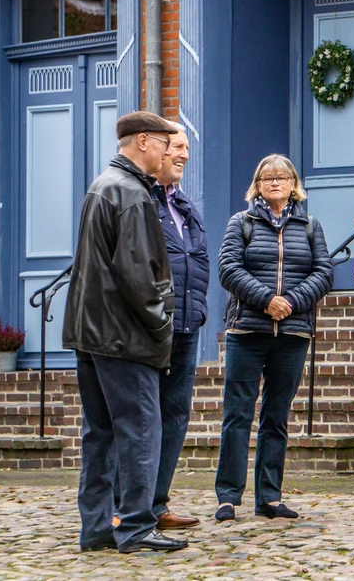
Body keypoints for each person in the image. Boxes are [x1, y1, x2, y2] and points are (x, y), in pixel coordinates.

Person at [62, 111, 188, 553]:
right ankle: (136, 526)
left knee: (99, 433)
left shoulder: (102, 186)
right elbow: (138, 274)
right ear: (143, 142)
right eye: (163, 143)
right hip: (124, 335)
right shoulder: (132, 193)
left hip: (91, 332)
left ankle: (96, 527)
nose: (168, 152)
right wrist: (162, 324)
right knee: (140, 429)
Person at [214, 154, 333, 522]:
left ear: (294, 184)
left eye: (282, 177)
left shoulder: (310, 225)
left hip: (293, 333)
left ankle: (269, 496)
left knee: (276, 416)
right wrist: (266, 301)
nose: (275, 182)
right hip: (248, 330)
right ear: (258, 185)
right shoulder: (242, 223)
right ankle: (228, 497)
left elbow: (324, 272)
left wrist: (291, 303)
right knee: (237, 414)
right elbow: (228, 268)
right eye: (268, 177)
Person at [147, 122, 210, 529]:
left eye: (188, 146)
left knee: (175, 415)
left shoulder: (183, 205)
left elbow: (199, 260)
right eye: (179, 146)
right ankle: (129, 506)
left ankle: (156, 502)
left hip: (186, 324)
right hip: (153, 326)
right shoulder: (142, 199)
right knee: (144, 416)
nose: (185, 154)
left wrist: (199, 309)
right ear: (157, 149)